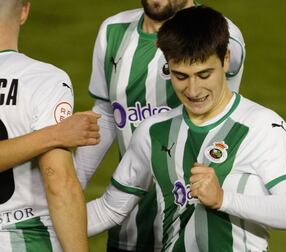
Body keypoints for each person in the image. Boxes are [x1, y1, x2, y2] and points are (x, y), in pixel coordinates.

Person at [86, 5, 286, 252]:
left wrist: (223, 199)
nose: (193, 91)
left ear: (226, 60)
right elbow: (108, 210)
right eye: (180, 76)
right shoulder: (153, 132)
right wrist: (43, 224)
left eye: (204, 75)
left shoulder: (262, 127)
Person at [75, 0, 245, 251]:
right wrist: (70, 185)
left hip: (194, 228)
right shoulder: (113, 31)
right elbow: (107, 114)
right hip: (129, 220)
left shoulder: (219, 35)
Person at [0, 0, 99, 251]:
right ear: (24, 11)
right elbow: (59, 182)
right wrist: (55, 135)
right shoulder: (43, 80)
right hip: (27, 238)